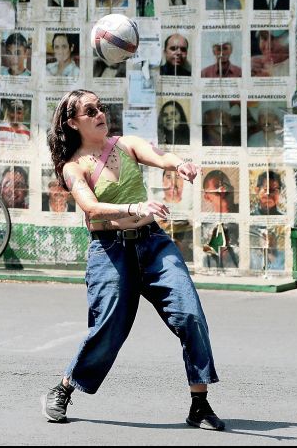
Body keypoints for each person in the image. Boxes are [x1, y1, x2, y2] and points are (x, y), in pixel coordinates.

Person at [44, 89, 224, 429]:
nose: (101, 113)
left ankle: (199, 404)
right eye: (90, 110)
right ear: (72, 123)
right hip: (110, 251)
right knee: (108, 329)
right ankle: (64, 387)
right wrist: (135, 207)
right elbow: (91, 208)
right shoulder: (73, 168)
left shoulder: (125, 145)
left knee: (190, 314)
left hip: (153, 244)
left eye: (102, 107)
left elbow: (160, 156)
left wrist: (180, 163)